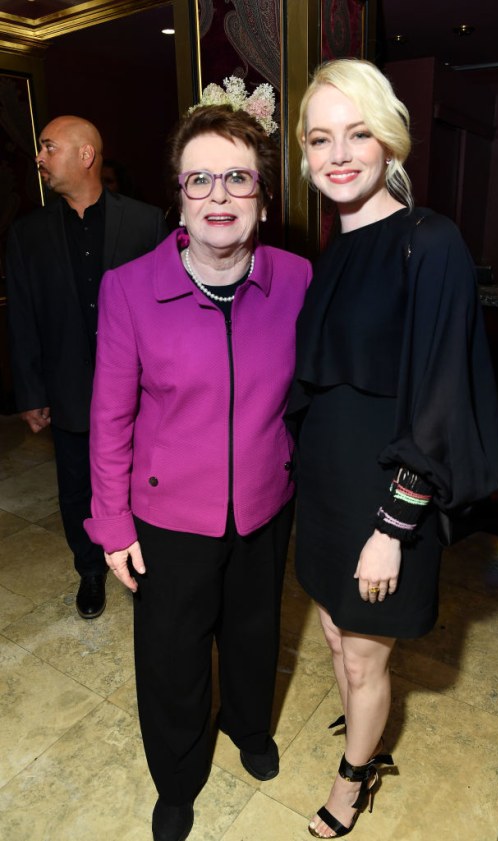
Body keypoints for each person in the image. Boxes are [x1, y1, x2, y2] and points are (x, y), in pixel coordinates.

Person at [288, 59, 498, 839]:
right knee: (334, 635)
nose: (338, 153)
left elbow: (442, 397)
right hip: (324, 486)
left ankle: (356, 777)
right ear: (306, 153)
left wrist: (392, 526)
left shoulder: (430, 243)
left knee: (362, 657)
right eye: (320, 138)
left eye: (357, 133)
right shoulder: (335, 247)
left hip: (386, 493)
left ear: (389, 141)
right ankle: (362, 734)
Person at [83, 93, 312, 841]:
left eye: (238, 179)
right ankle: (177, 776)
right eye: (200, 180)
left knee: (253, 633)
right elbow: (110, 417)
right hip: (166, 515)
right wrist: (111, 523)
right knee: (173, 655)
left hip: (263, 503)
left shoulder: (298, 281)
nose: (220, 196)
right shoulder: (127, 289)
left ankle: (249, 726)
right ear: (178, 198)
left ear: (264, 199)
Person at [5, 116, 167, 621]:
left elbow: (167, 307)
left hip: (141, 390)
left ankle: (148, 564)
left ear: (85, 155)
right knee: (77, 485)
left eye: (48, 147)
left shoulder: (146, 222)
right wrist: (30, 392)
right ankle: (90, 571)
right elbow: (24, 316)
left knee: (145, 479)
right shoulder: (27, 233)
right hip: (70, 388)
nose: (39, 157)